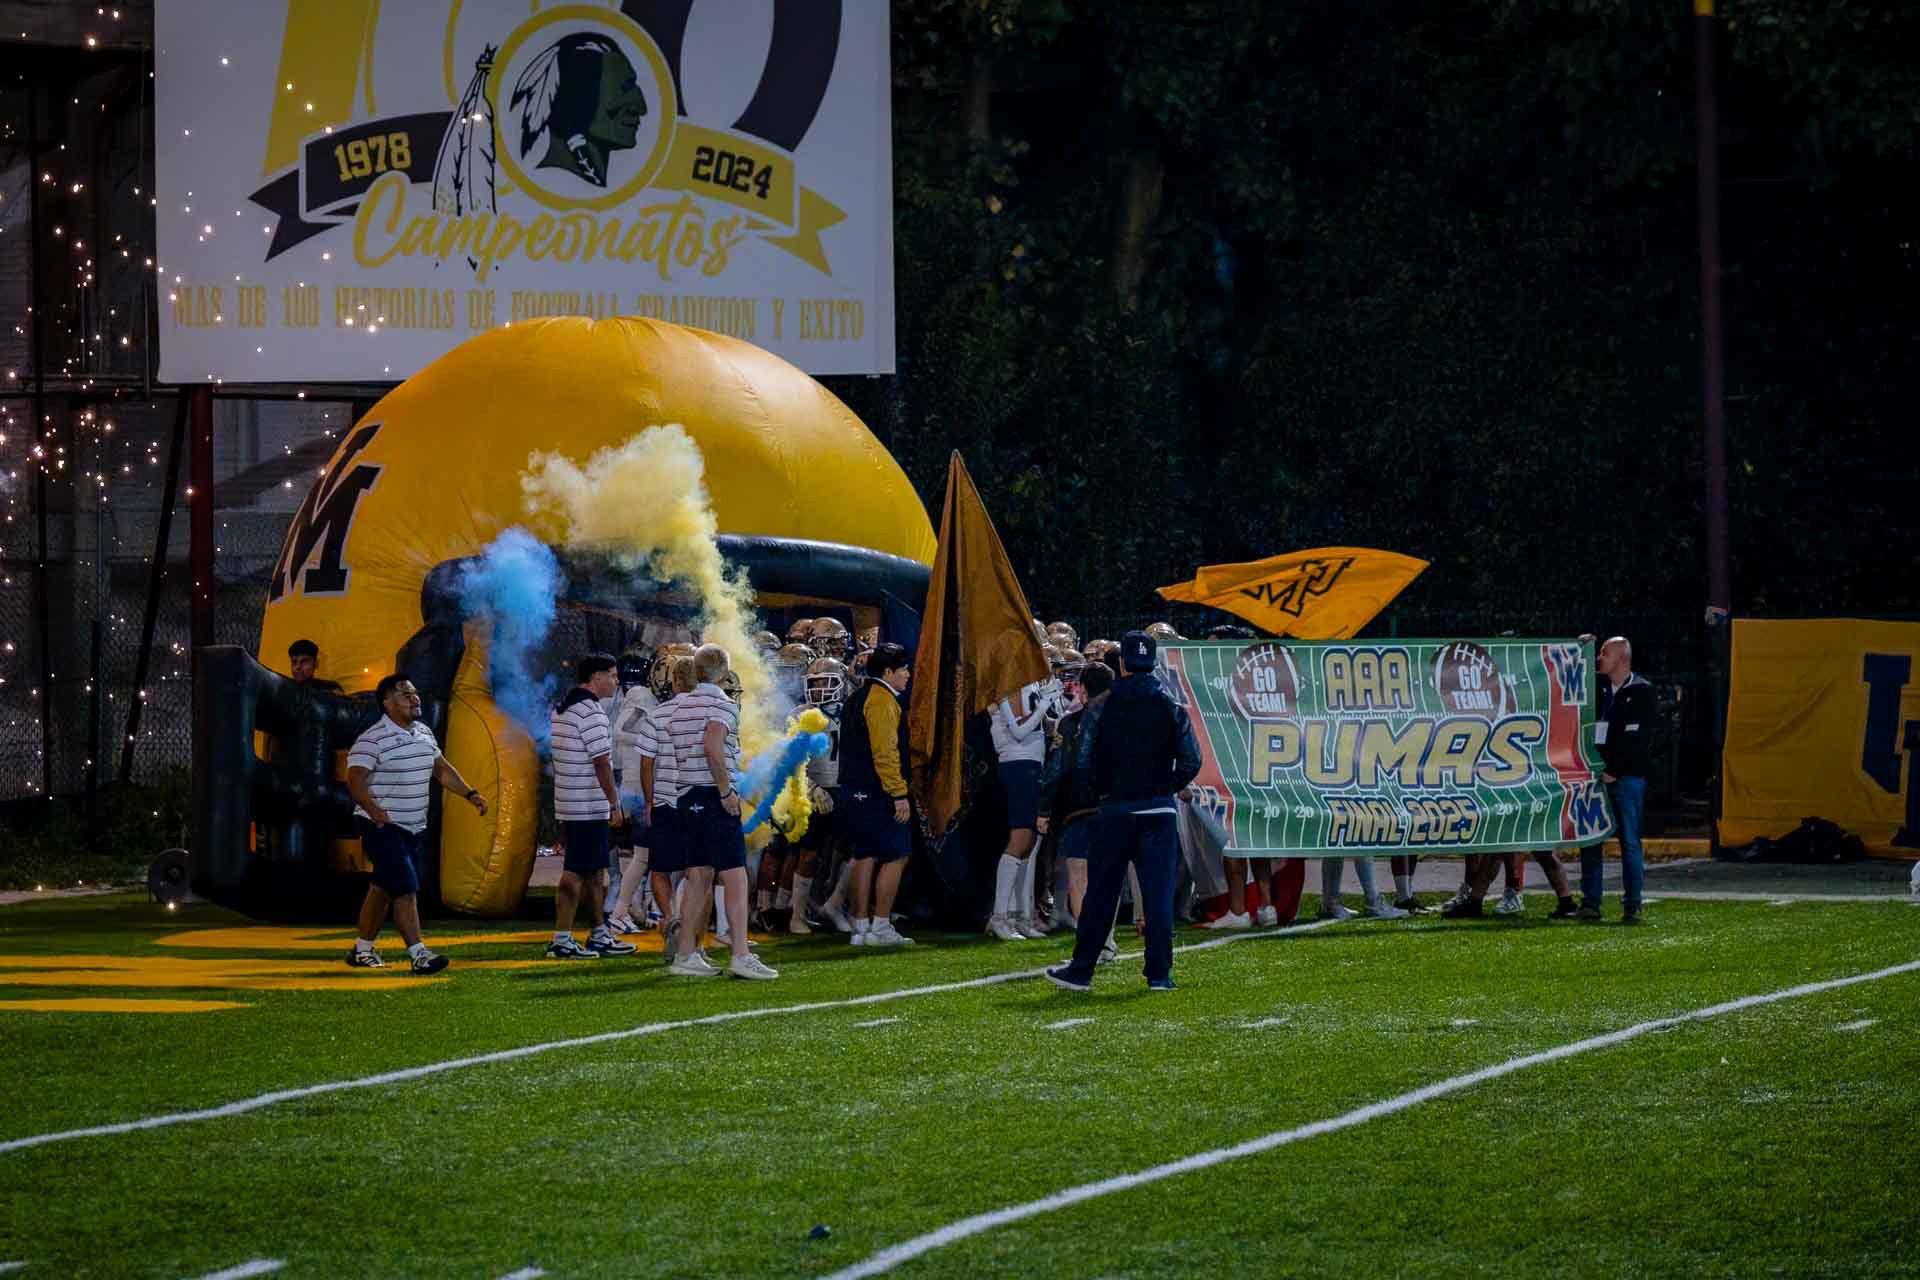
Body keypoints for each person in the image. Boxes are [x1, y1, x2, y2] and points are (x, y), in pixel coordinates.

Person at [1046, 629, 1201, 993]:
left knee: (1101, 894)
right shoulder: (1170, 705)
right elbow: (1192, 759)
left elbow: (1082, 759)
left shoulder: (1102, 705)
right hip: (1158, 811)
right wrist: (1166, 786)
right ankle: (1159, 975)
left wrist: (1103, 790)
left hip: (1115, 809)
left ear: (1123, 664)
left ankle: (1082, 970)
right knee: (1158, 897)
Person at [344, 674, 484, 974]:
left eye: (415, 693)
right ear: (387, 702)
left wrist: (470, 794)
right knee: (406, 888)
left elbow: (441, 769)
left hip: (413, 828)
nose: (415, 699)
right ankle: (419, 955)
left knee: (383, 887)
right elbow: (355, 780)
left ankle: (362, 950)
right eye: (406, 695)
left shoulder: (423, 732)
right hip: (381, 826)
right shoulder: (371, 738)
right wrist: (374, 810)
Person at [666, 644, 779, 978]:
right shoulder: (722, 704)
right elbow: (712, 746)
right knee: (735, 876)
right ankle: (740, 954)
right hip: (712, 795)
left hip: (687, 795)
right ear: (724, 672)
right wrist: (725, 791)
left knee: (698, 876)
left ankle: (685, 954)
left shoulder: (680, 707)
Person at [546, 653, 637, 959]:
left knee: (596, 871)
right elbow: (601, 762)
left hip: (573, 801)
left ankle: (599, 934)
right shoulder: (590, 712)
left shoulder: (564, 708)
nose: (616, 681)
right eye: (612, 675)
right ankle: (561, 939)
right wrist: (614, 803)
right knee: (575, 872)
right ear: (596, 677)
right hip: (586, 804)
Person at [837, 642, 916, 947]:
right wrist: (898, 793)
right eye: (903, 669)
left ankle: (860, 928)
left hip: (854, 788)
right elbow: (885, 752)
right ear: (887, 671)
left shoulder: (856, 697)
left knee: (863, 855)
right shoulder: (882, 700)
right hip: (877, 790)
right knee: (897, 854)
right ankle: (880, 925)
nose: (908, 674)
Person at [1038, 661, 1115, 939]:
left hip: (1079, 807)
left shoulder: (1070, 723)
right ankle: (1107, 938)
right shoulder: (1123, 721)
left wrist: (1045, 809)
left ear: (1082, 689)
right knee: (1108, 873)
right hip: (1115, 805)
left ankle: (1091, 940)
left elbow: (1056, 769)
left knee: (1079, 872)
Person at [1581, 635, 1655, 923]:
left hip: (1627, 777)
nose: (1600, 658)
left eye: (1605, 653)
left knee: (1630, 841)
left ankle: (1633, 903)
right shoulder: (1597, 687)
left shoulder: (1642, 691)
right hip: (1598, 776)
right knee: (1591, 839)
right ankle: (1590, 902)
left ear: (1622, 658)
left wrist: (1614, 769)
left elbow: (1639, 739)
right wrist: (1581, 648)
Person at [988, 668, 1060, 940]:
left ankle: (1020, 916)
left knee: (1029, 843)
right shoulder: (1009, 683)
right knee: (1020, 839)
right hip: (1017, 765)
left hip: (1031, 764)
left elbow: (1036, 726)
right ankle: (1000, 916)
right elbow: (1019, 730)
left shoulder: (1029, 683)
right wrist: (1044, 703)